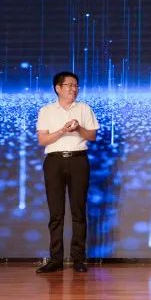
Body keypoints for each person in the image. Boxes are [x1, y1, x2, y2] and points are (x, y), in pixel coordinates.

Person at [36, 71, 98, 274]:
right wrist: (62, 130)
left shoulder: (84, 109)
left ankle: (79, 258)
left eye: (76, 85)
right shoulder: (46, 110)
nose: (73, 89)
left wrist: (78, 129)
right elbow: (43, 140)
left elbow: (92, 136)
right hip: (54, 161)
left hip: (78, 160)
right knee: (56, 213)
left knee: (79, 211)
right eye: (69, 85)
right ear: (58, 88)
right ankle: (56, 259)